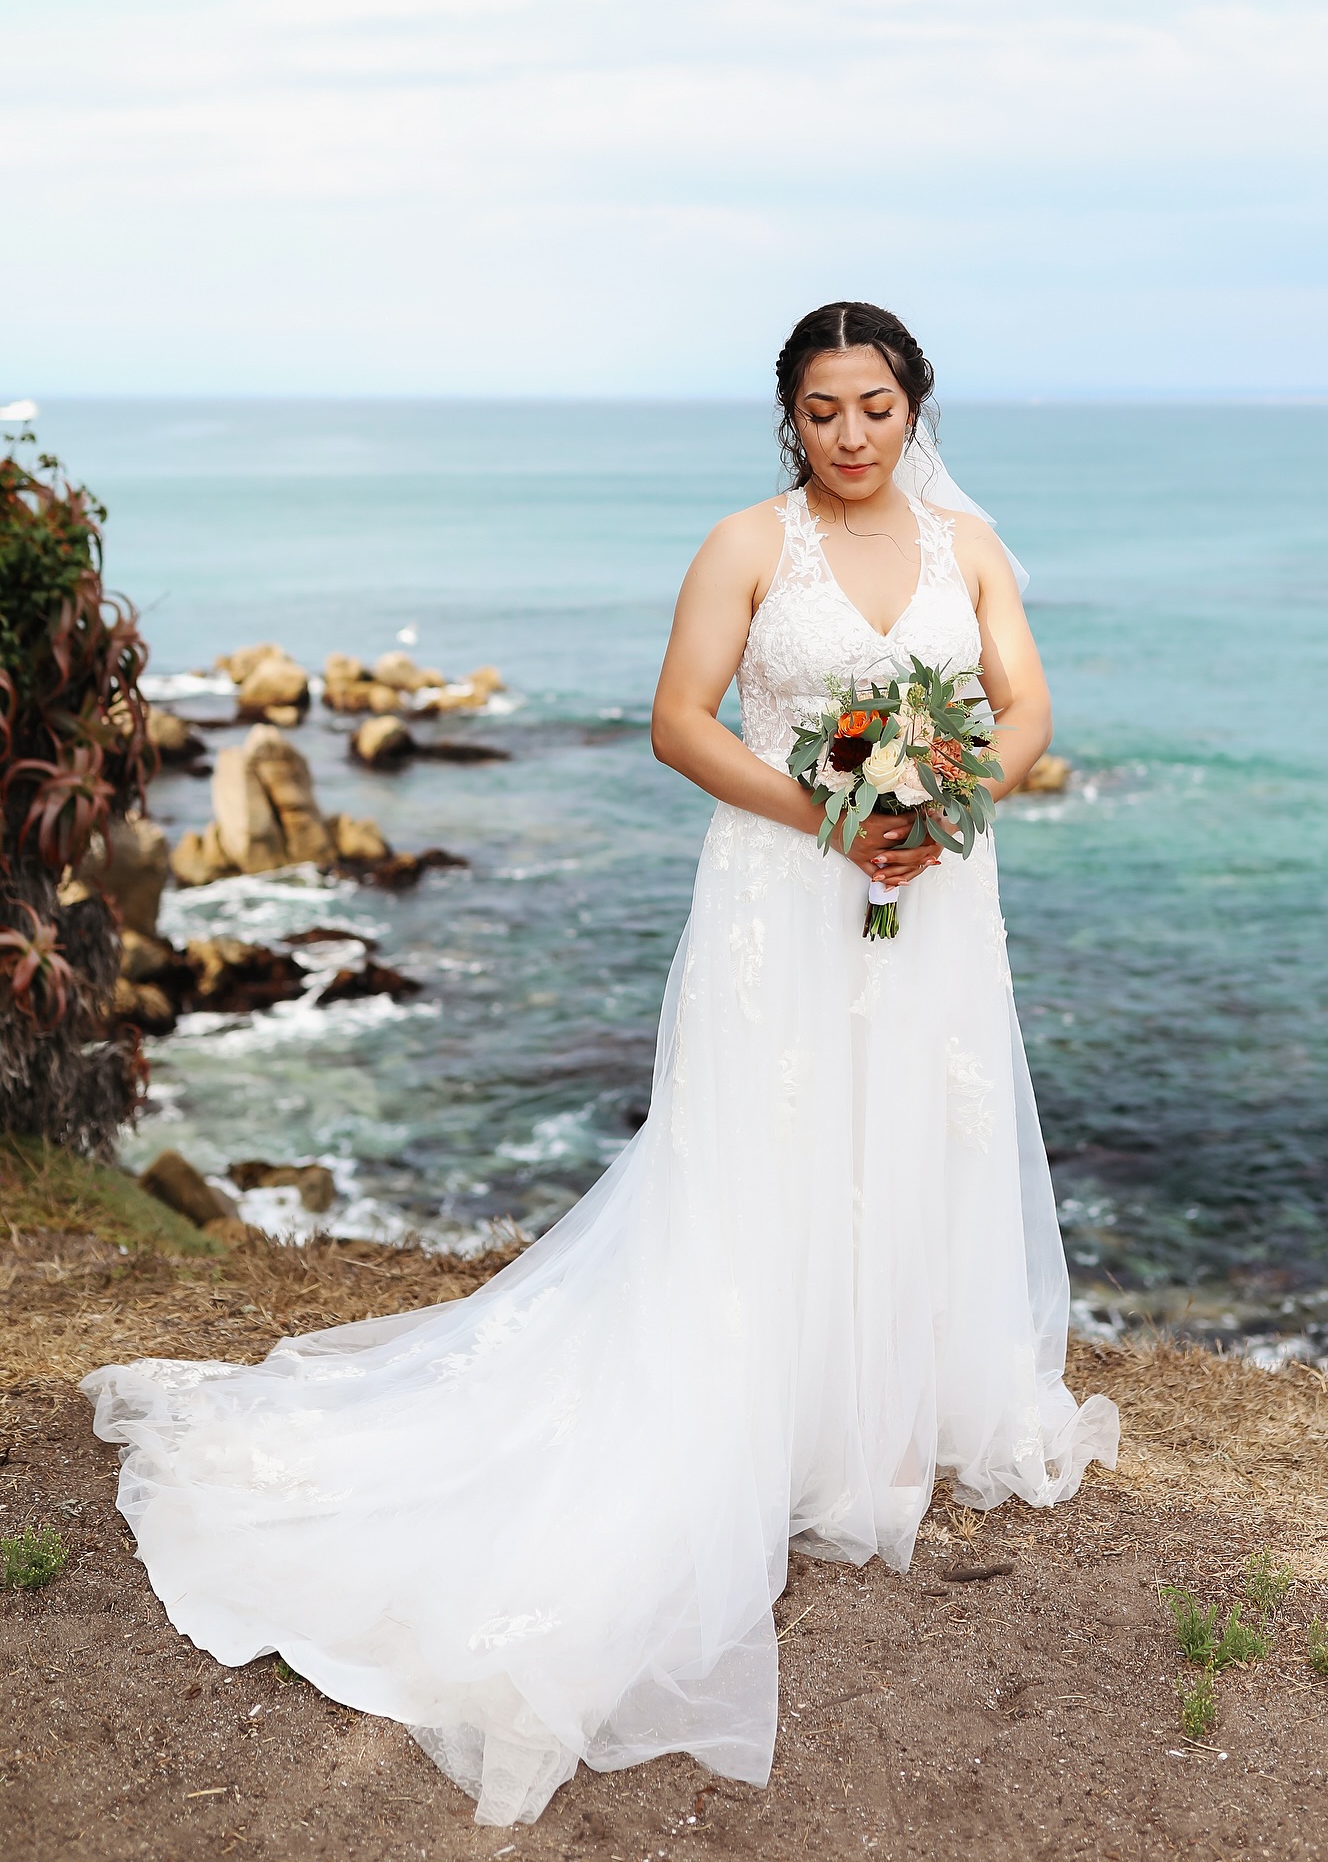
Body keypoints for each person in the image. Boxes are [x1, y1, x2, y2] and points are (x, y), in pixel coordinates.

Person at [82, 301, 1118, 1827]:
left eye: (876, 406)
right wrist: (828, 812)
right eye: (823, 409)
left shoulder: (970, 549)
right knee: (762, 1154)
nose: (850, 434)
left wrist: (952, 801)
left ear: (915, 408)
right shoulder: (747, 546)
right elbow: (676, 724)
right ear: (790, 419)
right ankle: (750, 1420)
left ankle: (873, 1420)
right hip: (787, 884)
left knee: (910, 1134)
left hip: (934, 894)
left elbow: (1022, 706)